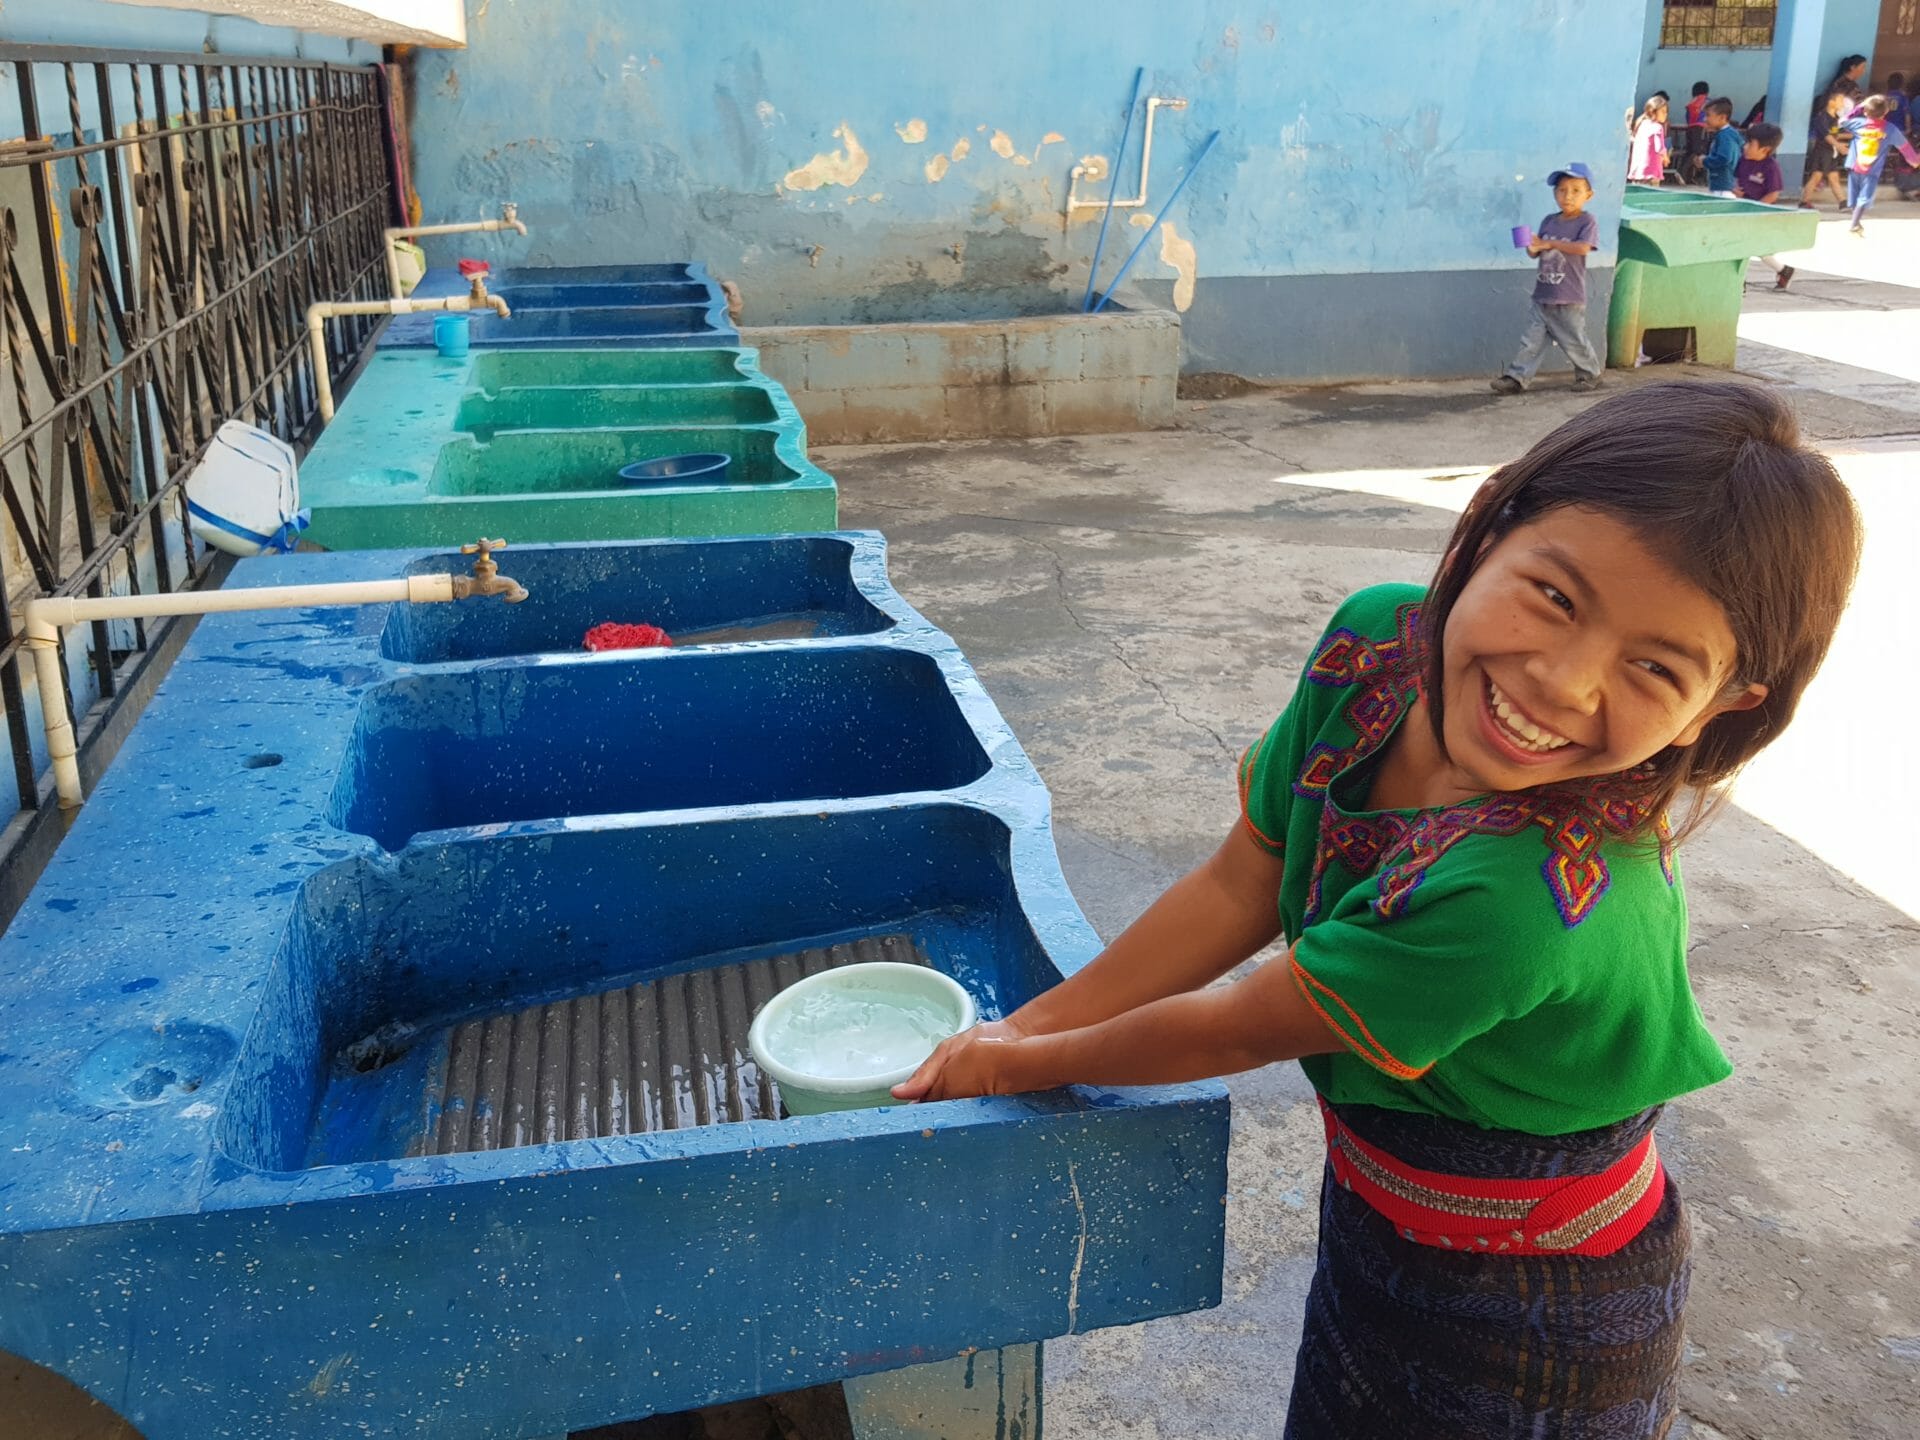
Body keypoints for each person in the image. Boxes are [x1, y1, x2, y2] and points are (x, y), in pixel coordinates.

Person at [894, 382, 1863, 1440]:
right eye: (1555, 596)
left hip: (1541, 1312)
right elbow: (1240, 881)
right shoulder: (1373, 651)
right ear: (1488, 525)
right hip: (1377, 1208)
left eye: (1654, 666)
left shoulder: (1525, 897)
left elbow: (1239, 1024)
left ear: (1724, 704)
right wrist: (1030, 1025)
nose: (1561, 682)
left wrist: (1015, 1064)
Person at [1489, 162, 1603, 395]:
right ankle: (1517, 377)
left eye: (1575, 190)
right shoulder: (1549, 221)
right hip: (1543, 295)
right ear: (1554, 194)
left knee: (1574, 340)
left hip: (1569, 297)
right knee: (1531, 341)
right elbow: (1536, 252)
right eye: (1561, 190)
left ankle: (1589, 373)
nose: (1567, 196)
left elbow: (1583, 248)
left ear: (1588, 195)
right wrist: (1531, 245)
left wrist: (1549, 243)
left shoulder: (1586, 221)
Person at [1836, 93, 1920, 233]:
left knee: (1855, 195)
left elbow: (1842, 121)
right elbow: (1905, 148)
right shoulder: (1890, 129)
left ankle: (1855, 219)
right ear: (1886, 112)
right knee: (1865, 197)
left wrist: (1858, 108)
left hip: (1854, 166)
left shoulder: (1858, 123)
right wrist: (1914, 161)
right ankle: (1855, 224)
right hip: (1871, 170)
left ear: (1865, 111)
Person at [1738, 123, 1795, 288]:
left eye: (1751, 144)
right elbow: (1737, 181)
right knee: (1751, 246)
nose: (1746, 147)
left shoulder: (1771, 167)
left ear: (1765, 149)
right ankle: (1783, 270)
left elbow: (1773, 194)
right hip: (1742, 211)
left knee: (1745, 246)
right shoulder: (1744, 161)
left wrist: (1756, 209)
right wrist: (1736, 191)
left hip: (1760, 214)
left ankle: (1740, 281)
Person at [1800, 83, 1859, 208]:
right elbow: (1826, 136)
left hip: (1831, 152)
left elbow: (1835, 134)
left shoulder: (1835, 118)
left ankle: (1842, 203)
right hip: (1822, 152)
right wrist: (1839, 146)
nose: (1843, 104)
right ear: (1831, 102)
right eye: (1840, 100)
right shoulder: (1821, 118)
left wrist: (1852, 136)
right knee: (1817, 177)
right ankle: (1805, 201)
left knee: (1832, 177)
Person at [1702, 98, 1741, 195]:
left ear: (1722, 117)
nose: (1705, 119)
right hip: (1723, 185)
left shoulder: (1725, 136)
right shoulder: (1727, 134)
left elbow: (1724, 158)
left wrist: (1704, 161)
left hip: (1723, 187)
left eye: (1708, 115)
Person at [1628, 95, 1670, 183]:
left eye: (1666, 112)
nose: (1665, 114)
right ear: (1652, 112)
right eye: (1663, 111)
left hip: (1637, 172)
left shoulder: (1641, 125)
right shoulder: (1658, 127)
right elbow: (1660, 148)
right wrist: (1665, 157)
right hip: (1651, 173)